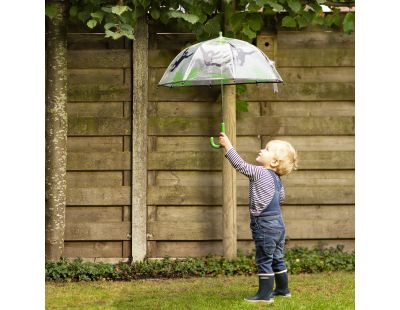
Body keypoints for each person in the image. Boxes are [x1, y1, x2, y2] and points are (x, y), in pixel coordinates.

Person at [219, 132, 298, 303]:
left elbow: (240, 165)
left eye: (267, 149)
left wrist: (227, 146)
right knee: (277, 257)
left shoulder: (260, 173)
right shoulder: (277, 180)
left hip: (265, 225)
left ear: (274, 162)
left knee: (264, 259)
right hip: (278, 225)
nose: (262, 150)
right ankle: (283, 290)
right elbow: (281, 198)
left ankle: (264, 295)